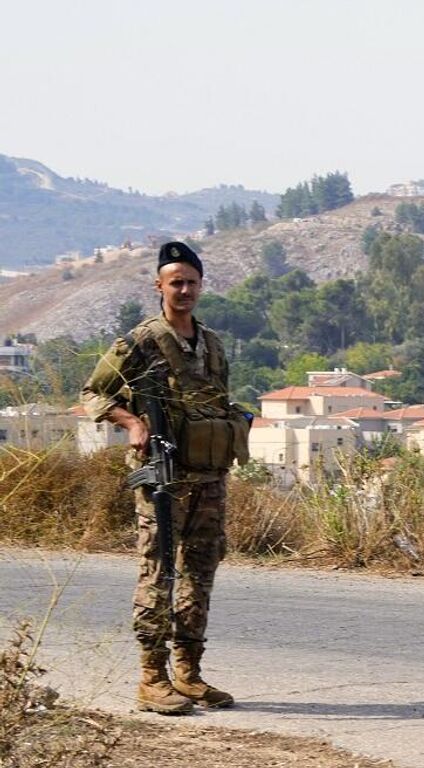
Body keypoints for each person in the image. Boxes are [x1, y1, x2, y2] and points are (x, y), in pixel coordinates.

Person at [82, 241, 246, 714]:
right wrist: (132, 423)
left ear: (201, 286)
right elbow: (94, 392)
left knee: (201, 570)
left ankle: (189, 673)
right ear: (159, 286)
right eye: (176, 282)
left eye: (192, 282)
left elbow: (217, 400)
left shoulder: (212, 343)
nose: (185, 289)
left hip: (209, 475)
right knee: (159, 570)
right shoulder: (140, 341)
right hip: (164, 474)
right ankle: (152, 678)